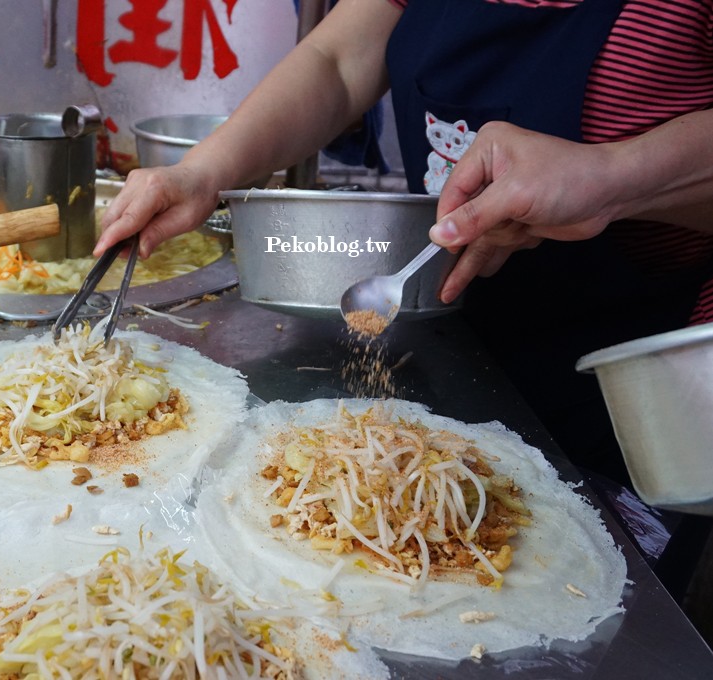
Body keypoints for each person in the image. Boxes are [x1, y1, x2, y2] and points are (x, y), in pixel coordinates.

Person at [96, 0, 713, 483]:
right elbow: (338, 61)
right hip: (448, 336)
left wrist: (615, 176)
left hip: (638, 374)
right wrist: (204, 171)